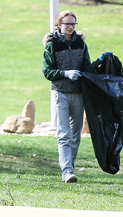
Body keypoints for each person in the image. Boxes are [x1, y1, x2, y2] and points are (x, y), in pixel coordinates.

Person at [42, 10, 105, 183]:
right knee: (63, 133)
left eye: (73, 24)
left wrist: (100, 61)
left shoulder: (81, 44)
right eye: (67, 24)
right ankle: (67, 171)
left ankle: (70, 167)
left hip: (78, 94)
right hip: (60, 93)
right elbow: (47, 72)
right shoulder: (52, 45)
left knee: (75, 135)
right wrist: (65, 73)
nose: (70, 27)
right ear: (59, 25)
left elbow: (86, 68)